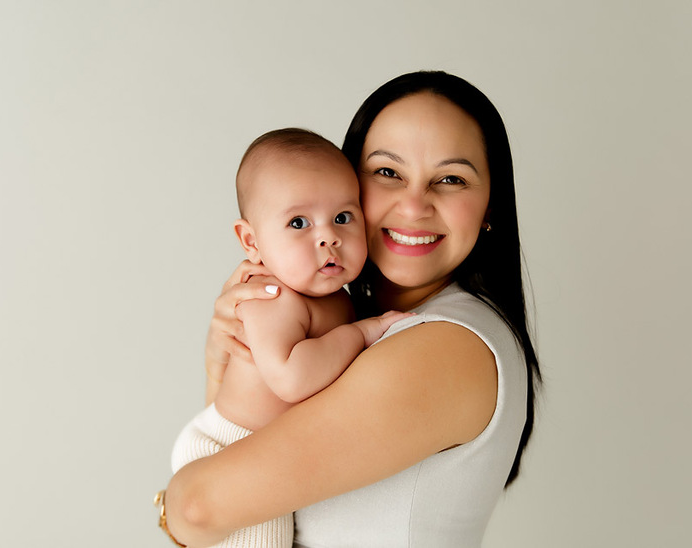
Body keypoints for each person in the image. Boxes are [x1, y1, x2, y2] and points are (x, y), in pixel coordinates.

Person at [159, 71, 541, 548]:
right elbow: (236, 462)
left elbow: (200, 507)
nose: (414, 206)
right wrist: (224, 361)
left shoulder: (446, 347)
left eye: (451, 179)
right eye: (388, 173)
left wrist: (170, 510)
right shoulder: (341, 318)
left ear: (490, 209)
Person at [167, 128, 411, 548]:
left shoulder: (336, 296)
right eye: (299, 222)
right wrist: (362, 332)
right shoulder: (271, 295)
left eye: (343, 217)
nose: (328, 236)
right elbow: (292, 379)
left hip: (260, 450)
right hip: (229, 447)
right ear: (251, 241)